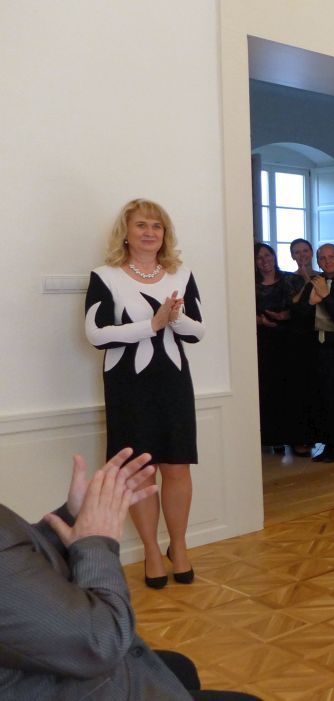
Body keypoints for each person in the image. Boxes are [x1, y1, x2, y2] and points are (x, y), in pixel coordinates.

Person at [0, 449, 259, 700]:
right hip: (53, 679)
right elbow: (101, 641)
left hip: (40, 667)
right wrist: (95, 542)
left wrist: (73, 518)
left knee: (180, 668)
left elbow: (14, 561)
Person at [84, 199, 204, 589]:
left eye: (157, 226)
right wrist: (152, 324)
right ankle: (152, 551)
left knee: (177, 466)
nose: (149, 232)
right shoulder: (105, 276)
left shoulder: (181, 274)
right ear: (126, 232)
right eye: (141, 225)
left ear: (164, 234)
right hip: (128, 386)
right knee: (140, 470)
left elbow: (198, 331)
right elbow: (96, 334)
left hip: (173, 381)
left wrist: (174, 317)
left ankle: (179, 546)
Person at [307, 243, 334, 463]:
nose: (328, 261)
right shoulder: (314, 282)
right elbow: (303, 315)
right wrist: (311, 301)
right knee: (322, 399)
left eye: (332, 257)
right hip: (318, 350)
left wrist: (326, 296)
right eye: (323, 258)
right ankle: (328, 444)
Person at [253, 242, 299, 451]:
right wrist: (261, 321)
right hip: (262, 342)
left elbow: (303, 308)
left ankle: (291, 437)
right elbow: (240, 310)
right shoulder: (250, 283)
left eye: (268, 255)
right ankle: (270, 439)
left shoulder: (290, 279)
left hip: (289, 341)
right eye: (259, 257)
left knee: (289, 389)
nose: (265, 260)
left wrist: (286, 315)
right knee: (267, 389)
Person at [285, 238, 320, 457]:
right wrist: (307, 281)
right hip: (296, 339)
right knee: (299, 389)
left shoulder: (323, 276)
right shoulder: (288, 279)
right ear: (292, 256)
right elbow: (292, 304)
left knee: (317, 388)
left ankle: (317, 435)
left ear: (311, 252)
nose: (302, 255)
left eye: (305, 251)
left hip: (319, 337)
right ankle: (299, 438)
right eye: (297, 252)